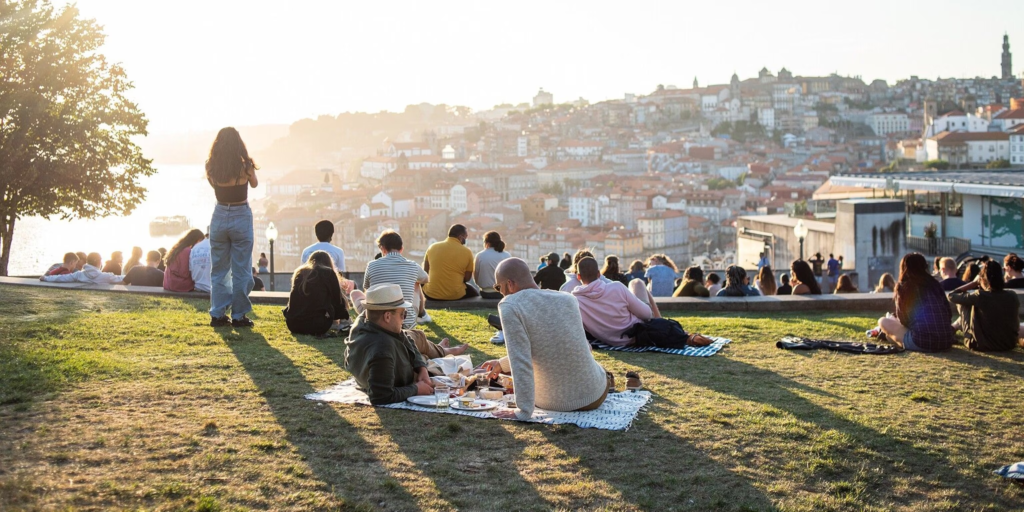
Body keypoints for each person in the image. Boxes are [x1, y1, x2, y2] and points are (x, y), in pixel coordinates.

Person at [479, 258, 612, 419]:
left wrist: (523, 411)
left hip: (555, 402)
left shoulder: (510, 305)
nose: (500, 292)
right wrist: (502, 364)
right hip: (596, 394)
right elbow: (571, 346)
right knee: (601, 370)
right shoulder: (568, 299)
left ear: (510, 284)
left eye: (498, 287)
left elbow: (521, 360)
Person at [344, 284, 435, 405]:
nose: (404, 319)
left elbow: (404, 337)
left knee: (418, 340)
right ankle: (443, 351)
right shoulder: (383, 349)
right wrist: (417, 389)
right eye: (403, 314)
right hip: (398, 370)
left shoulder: (366, 320)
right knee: (421, 342)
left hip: (397, 363)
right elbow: (381, 397)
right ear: (387, 316)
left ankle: (443, 351)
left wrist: (421, 368)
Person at [206, 127, 258, 328]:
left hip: (219, 215)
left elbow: (215, 186)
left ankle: (217, 314)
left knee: (219, 269)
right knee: (242, 268)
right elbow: (253, 184)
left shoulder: (210, 166)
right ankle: (238, 315)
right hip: (240, 214)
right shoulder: (245, 166)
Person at [573, 257, 671, 346]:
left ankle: (660, 322)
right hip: (637, 334)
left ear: (578, 277)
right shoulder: (616, 287)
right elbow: (647, 315)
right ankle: (660, 321)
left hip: (612, 340)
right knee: (636, 282)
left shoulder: (575, 301)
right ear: (599, 274)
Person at [876, 253, 954, 352]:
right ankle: (891, 337)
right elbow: (948, 313)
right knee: (892, 331)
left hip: (922, 342)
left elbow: (903, 319)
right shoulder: (935, 284)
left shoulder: (904, 286)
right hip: (947, 340)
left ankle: (891, 337)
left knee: (882, 321)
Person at [357, 230, 429, 330]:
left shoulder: (371, 265)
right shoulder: (413, 265)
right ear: (402, 249)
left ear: (382, 248)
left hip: (378, 322)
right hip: (406, 324)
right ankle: (422, 314)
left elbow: (368, 291)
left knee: (355, 293)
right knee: (417, 282)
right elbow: (426, 279)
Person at [949, 260, 1021, 351]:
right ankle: (953, 327)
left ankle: (954, 329)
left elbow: (951, 295)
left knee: (964, 303)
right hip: (1008, 344)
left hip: (979, 345)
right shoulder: (1012, 295)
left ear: (983, 279)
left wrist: (974, 283)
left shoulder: (980, 296)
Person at [283, 251, 349, 336]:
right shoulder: (328, 273)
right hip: (317, 326)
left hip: (293, 325)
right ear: (329, 263)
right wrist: (344, 316)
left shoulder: (300, 272)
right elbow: (337, 302)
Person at [422, 224, 477, 301]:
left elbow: (425, 272)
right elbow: (467, 278)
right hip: (455, 294)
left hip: (431, 294)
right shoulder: (467, 252)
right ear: (461, 237)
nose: (466, 239)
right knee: (474, 292)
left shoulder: (432, 247)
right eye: (466, 237)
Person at [40, 252, 123, 285]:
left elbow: (61, 278)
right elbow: (121, 278)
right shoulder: (106, 277)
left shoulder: (79, 274)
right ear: (98, 262)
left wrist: (46, 278)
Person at [474, 231, 510, 299]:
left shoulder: (480, 256)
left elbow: (476, 275)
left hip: (485, 293)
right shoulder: (506, 255)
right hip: (503, 293)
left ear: (486, 242)